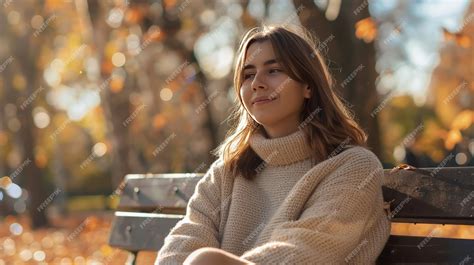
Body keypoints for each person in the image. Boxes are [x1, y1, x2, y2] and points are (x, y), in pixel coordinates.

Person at [155, 25, 390, 265]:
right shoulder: (228, 170)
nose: (257, 83)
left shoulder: (353, 167)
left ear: (308, 85)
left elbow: (304, 252)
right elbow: (186, 239)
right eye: (248, 75)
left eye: (274, 70)